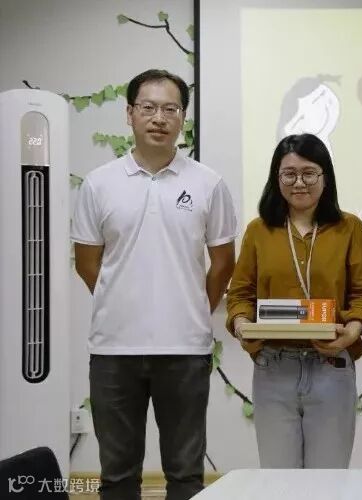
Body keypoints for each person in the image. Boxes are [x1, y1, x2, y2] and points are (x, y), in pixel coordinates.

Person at [72, 69, 237, 500]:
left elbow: (223, 263)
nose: (159, 118)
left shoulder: (208, 183)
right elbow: (87, 264)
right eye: (148, 107)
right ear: (129, 113)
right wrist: (121, 300)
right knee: (117, 476)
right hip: (113, 350)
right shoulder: (99, 183)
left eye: (170, 109)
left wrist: (190, 307)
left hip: (185, 350)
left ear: (183, 118)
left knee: (185, 475)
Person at [226, 133, 362, 469]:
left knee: (328, 480)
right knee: (279, 480)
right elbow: (240, 294)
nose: (299, 182)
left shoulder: (349, 228)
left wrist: (352, 332)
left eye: (309, 173)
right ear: (276, 178)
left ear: (325, 177)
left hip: (331, 367)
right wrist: (241, 325)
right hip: (273, 367)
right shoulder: (259, 230)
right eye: (289, 174)